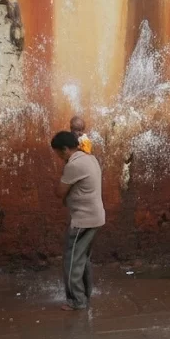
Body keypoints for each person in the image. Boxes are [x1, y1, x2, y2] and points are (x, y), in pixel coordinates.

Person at [51, 131, 105, 312]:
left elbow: (59, 192)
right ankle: (84, 296)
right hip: (95, 217)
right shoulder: (90, 159)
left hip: (83, 220)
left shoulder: (74, 165)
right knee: (83, 260)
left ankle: (77, 300)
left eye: (59, 154)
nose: (59, 158)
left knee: (72, 261)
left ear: (65, 149)